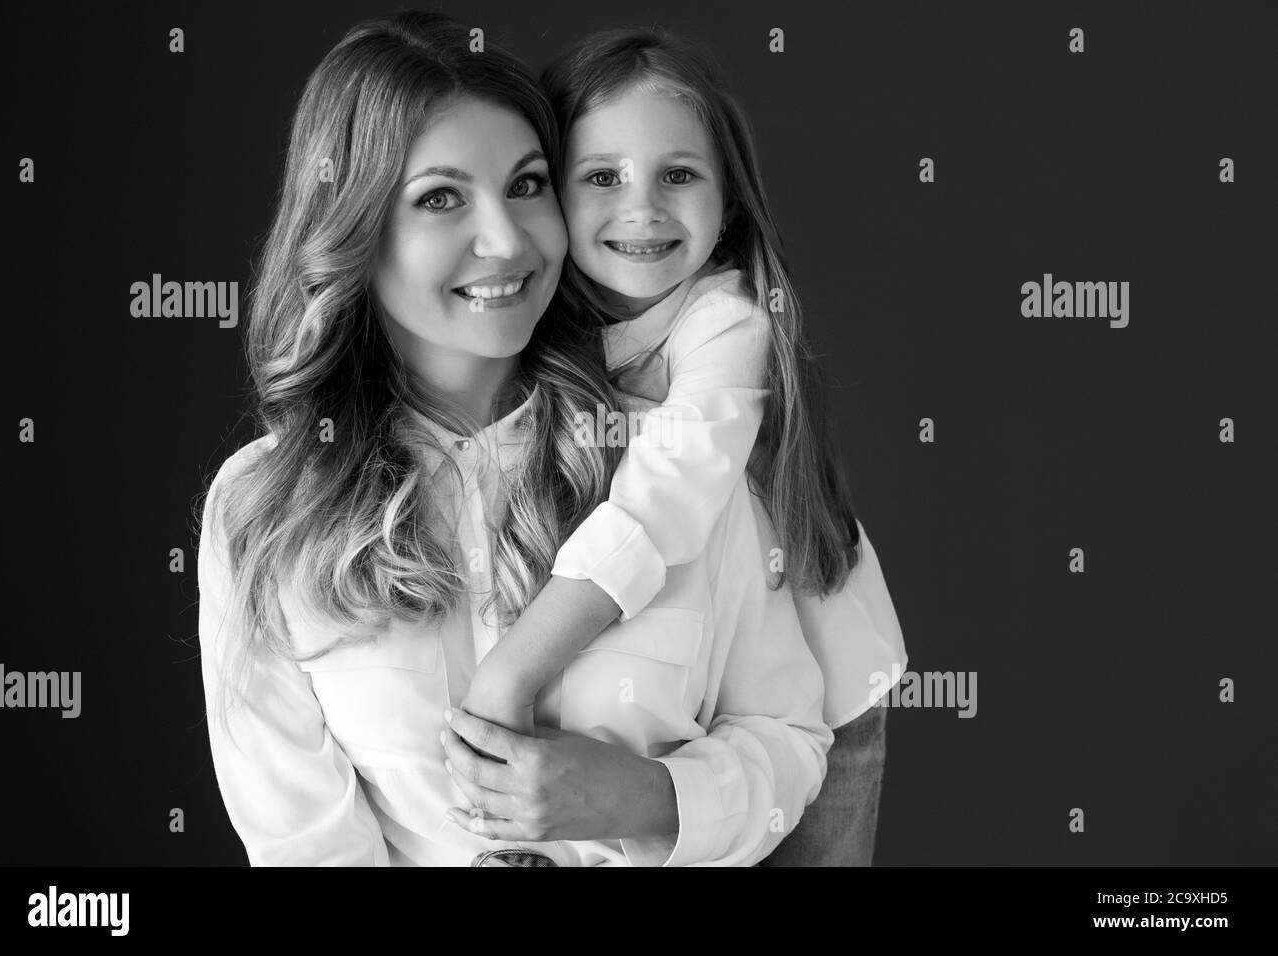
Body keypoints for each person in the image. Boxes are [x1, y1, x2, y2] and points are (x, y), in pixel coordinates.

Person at [197, 9, 832, 867]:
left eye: (528, 184)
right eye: (441, 198)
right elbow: (305, 846)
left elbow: (788, 736)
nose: (505, 240)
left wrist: (644, 799)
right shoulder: (260, 511)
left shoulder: (674, 455)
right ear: (356, 225)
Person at [457, 26, 909, 866]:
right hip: (689, 698)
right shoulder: (537, 335)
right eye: (601, 178)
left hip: (822, 696)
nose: (642, 208)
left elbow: (668, 491)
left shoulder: (725, 319)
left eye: (678, 175)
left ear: (728, 200)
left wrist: (516, 670)